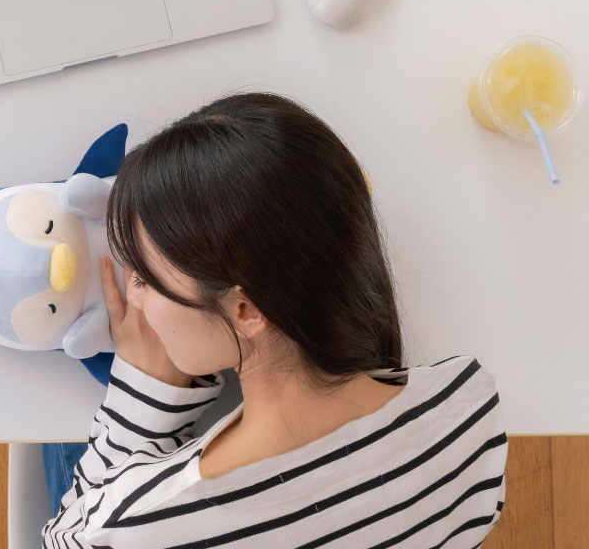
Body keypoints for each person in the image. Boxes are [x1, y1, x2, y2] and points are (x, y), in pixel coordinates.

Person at [41, 91, 507, 548]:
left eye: (143, 278)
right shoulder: (468, 401)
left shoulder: (132, 527)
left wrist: (144, 396)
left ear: (246, 309)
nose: (134, 299)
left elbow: (64, 536)